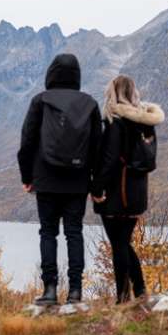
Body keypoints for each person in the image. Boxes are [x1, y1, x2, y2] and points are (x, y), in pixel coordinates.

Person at [17, 53, 102, 306]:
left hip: (46, 178)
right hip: (77, 181)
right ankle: (75, 291)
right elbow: (97, 148)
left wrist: (27, 177)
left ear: (51, 73)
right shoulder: (89, 104)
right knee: (74, 233)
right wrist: (94, 183)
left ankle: (50, 290)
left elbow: (27, 142)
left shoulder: (40, 101)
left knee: (48, 233)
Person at [93, 75, 164, 304]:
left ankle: (123, 297)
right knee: (123, 242)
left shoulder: (116, 122)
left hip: (116, 193)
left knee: (119, 244)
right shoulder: (146, 123)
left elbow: (110, 159)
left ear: (113, 93)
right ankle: (140, 290)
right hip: (136, 194)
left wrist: (97, 187)